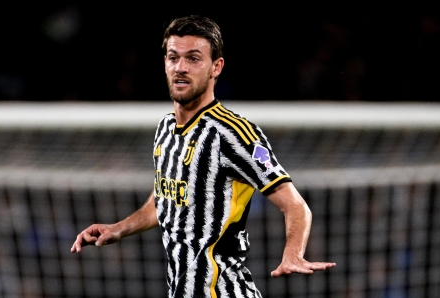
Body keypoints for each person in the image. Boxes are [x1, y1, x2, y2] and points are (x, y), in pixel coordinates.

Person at [71, 15, 336, 298]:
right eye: (173, 57)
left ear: (216, 67)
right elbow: (165, 201)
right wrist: (118, 229)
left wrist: (293, 253)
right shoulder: (165, 128)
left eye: (194, 58)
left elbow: (295, 205)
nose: (181, 68)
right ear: (164, 63)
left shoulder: (233, 133)